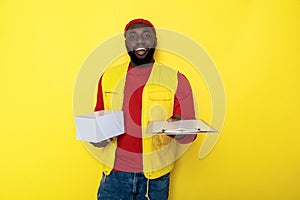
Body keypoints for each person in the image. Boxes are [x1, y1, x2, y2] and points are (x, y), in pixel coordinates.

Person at [92, 18, 196, 200]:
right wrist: (98, 136)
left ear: (155, 40)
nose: (140, 41)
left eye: (146, 35)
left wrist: (176, 128)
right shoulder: (108, 77)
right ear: (126, 43)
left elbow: (190, 134)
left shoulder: (177, 79)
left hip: (155, 179)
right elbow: (97, 126)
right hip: (114, 177)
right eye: (133, 36)